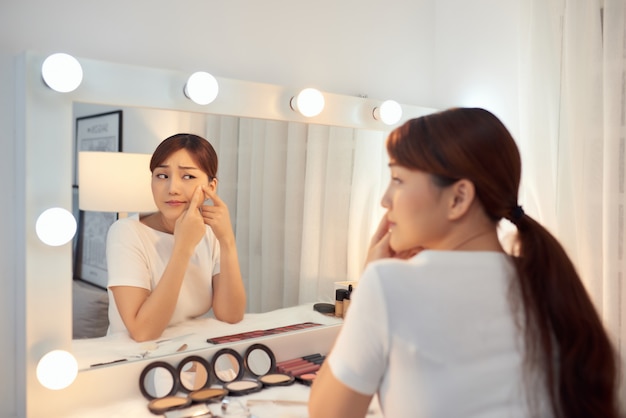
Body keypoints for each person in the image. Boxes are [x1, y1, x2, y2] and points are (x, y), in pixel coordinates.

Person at [308, 108, 621, 418]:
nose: (385, 199)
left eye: (398, 179)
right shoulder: (546, 282)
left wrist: (365, 285)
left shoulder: (387, 284)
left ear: (458, 198)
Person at [106, 133, 246, 342]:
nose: (172, 189)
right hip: (132, 361)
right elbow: (142, 332)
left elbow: (231, 316)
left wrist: (227, 241)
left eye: (188, 177)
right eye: (162, 176)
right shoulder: (126, 232)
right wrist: (183, 247)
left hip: (188, 358)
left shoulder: (210, 232)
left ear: (211, 187)